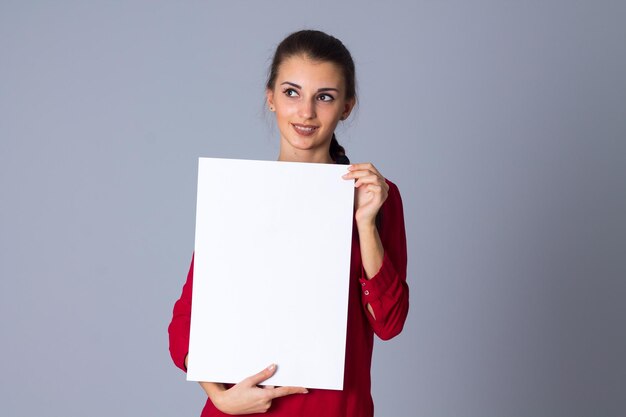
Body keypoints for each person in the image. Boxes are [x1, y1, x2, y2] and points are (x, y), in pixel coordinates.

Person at [168, 29, 409, 417]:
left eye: (324, 97)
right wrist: (220, 396)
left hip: (335, 409)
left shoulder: (376, 195)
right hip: (243, 409)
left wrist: (365, 223)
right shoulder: (238, 193)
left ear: (346, 107)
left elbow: (389, 323)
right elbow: (187, 321)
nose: (306, 112)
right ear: (271, 99)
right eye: (292, 93)